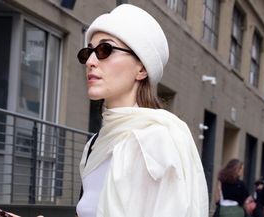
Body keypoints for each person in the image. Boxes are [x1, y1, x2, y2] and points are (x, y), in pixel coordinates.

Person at [75, 3, 209, 217]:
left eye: (105, 50)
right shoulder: (94, 145)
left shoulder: (157, 141)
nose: (90, 61)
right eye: (88, 51)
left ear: (142, 69)